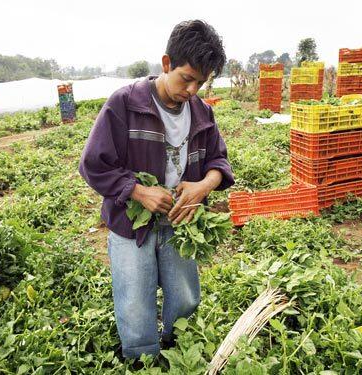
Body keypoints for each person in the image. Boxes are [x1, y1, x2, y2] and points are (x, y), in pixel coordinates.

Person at [78, 19, 234, 360]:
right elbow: (92, 164)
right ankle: (141, 359)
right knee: (135, 298)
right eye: (187, 79)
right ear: (167, 64)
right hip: (130, 224)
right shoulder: (125, 104)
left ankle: (179, 352)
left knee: (185, 296)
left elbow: (219, 163)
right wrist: (137, 191)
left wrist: (203, 186)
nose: (192, 90)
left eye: (201, 83)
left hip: (180, 222)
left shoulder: (202, 113)